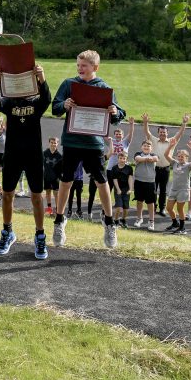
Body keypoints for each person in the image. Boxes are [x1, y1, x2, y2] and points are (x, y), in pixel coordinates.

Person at [51, 50, 126, 249]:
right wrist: (64, 104)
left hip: (93, 143)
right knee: (66, 181)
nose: (80, 68)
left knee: (102, 182)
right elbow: (55, 107)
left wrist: (114, 111)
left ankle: (109, 223)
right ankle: (59, 220)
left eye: (84, 65)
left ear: (95, 67)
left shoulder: (104, 88)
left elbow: (118, 115)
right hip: (72, 141)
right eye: (78, 65)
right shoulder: (69, 84)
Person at [0, 62, 51, 258]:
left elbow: (46, 99)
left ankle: (40, 236)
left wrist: (42, 78)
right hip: (13, 154)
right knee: (7, 194)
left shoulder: (36, 102)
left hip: (32, 155)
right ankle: (8, 231)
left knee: (36, 196)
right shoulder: (9, 102)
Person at [144, 113, 189, 217]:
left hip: (165, 169)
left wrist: (184, 123)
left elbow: (180, 133)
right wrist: (146, 122)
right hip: (154, 169)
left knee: (163, 190)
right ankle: (153, 207)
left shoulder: (172, 141)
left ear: (167, 133)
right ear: (158, 133)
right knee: (153, 189)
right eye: (161, 132)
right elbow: (147, 132)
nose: (162, 134)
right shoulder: (154, 140)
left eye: (164, 132)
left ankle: (162, 208)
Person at [93, 117, 134, 220]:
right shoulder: (111, 141)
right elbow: (103, 134)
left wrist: (131, 125)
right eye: (116, 134)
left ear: (122, 136)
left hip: (122, 170)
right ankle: (104, 210)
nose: (118, 136)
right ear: (114, 135)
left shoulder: (125, 142)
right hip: (111, 169)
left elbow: (131, 135)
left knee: (119, 191)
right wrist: (103, 121)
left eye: (120, 134)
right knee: (107, 189)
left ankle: (118, 209)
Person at [163, 143, 191, 233]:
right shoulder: (174, 163)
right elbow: (165, 155)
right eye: (179, 156)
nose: (180, 158)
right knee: (169, 208)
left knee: (179, 209)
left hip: (183, 190)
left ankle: (182, 227)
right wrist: (170, 146)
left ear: (186, 157)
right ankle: (175, 223)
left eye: (182, 156)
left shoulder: (188, 165)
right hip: (173, 189)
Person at [132, 138, 160, 231]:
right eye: (145, 146)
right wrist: (147, 159)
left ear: (151, 148)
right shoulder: (138, 154)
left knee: (150, 202)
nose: (146, 147)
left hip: (150, 182)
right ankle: (139, 218)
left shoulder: (154, 155)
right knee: (139, 201)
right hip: (139, 181)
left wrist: (149, 158)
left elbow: (155, 159)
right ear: (141, 147)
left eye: (148, 146)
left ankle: (151, 221)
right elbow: (137, 159)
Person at [108, 151, 133, 228]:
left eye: (124, 158)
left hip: (126, 189)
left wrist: (130, 189)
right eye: (120, 158)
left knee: (125, 208)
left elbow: (130, 179)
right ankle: (115, 220)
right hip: (118, 189)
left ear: (126, 159)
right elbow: (114, 180)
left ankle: (123, 220)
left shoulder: (129, 168)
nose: (122, 160)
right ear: (118, 159)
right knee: (119, 207)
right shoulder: (114, 168)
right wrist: (118, 189)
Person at [42, 137, 62, 216]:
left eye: (55, 143)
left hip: (55, 178)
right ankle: (49, 209)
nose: (53, 144)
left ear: (57, 144)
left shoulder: (59, 156)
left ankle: (57, 210)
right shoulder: (44, 153)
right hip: (46, 176)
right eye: (52, 142)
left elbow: (61, 168)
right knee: (48, 192)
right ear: (49, 143)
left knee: (56, 193)